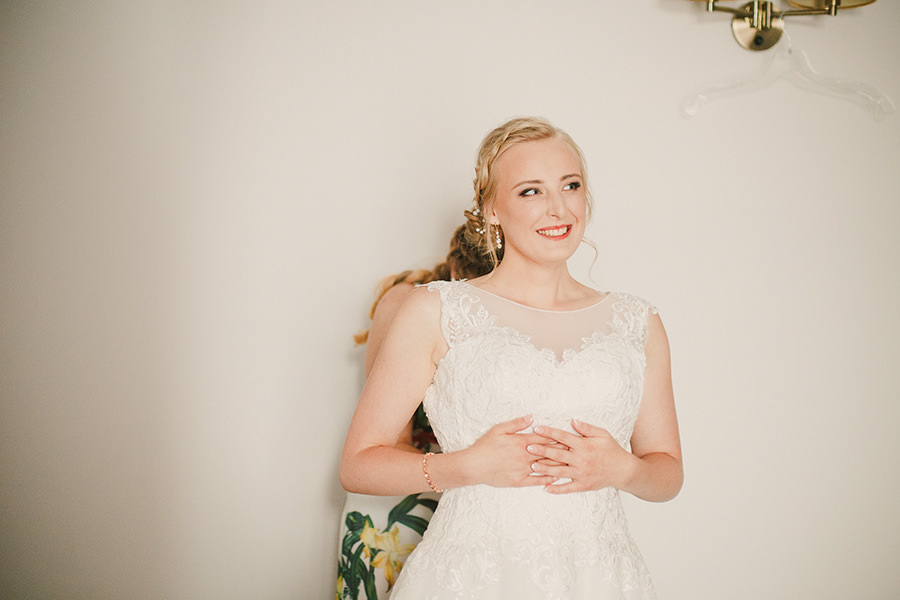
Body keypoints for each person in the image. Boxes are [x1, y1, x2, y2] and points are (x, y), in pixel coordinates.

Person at [340, 117, 682, 599]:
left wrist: (623, 469)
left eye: (570, 185)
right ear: (491, 210)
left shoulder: (637, 321)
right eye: (530, 191)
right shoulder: (437, 310)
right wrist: (464, 467)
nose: (558, 207)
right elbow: (357, 465)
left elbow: (668, 474)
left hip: (600, 576)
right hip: (472, 574)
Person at [336, 224, 497, 600]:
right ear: (456, 272)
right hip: (398, 499)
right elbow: (390, 442)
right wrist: (467, 471)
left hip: (474, 501)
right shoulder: (406, 303)